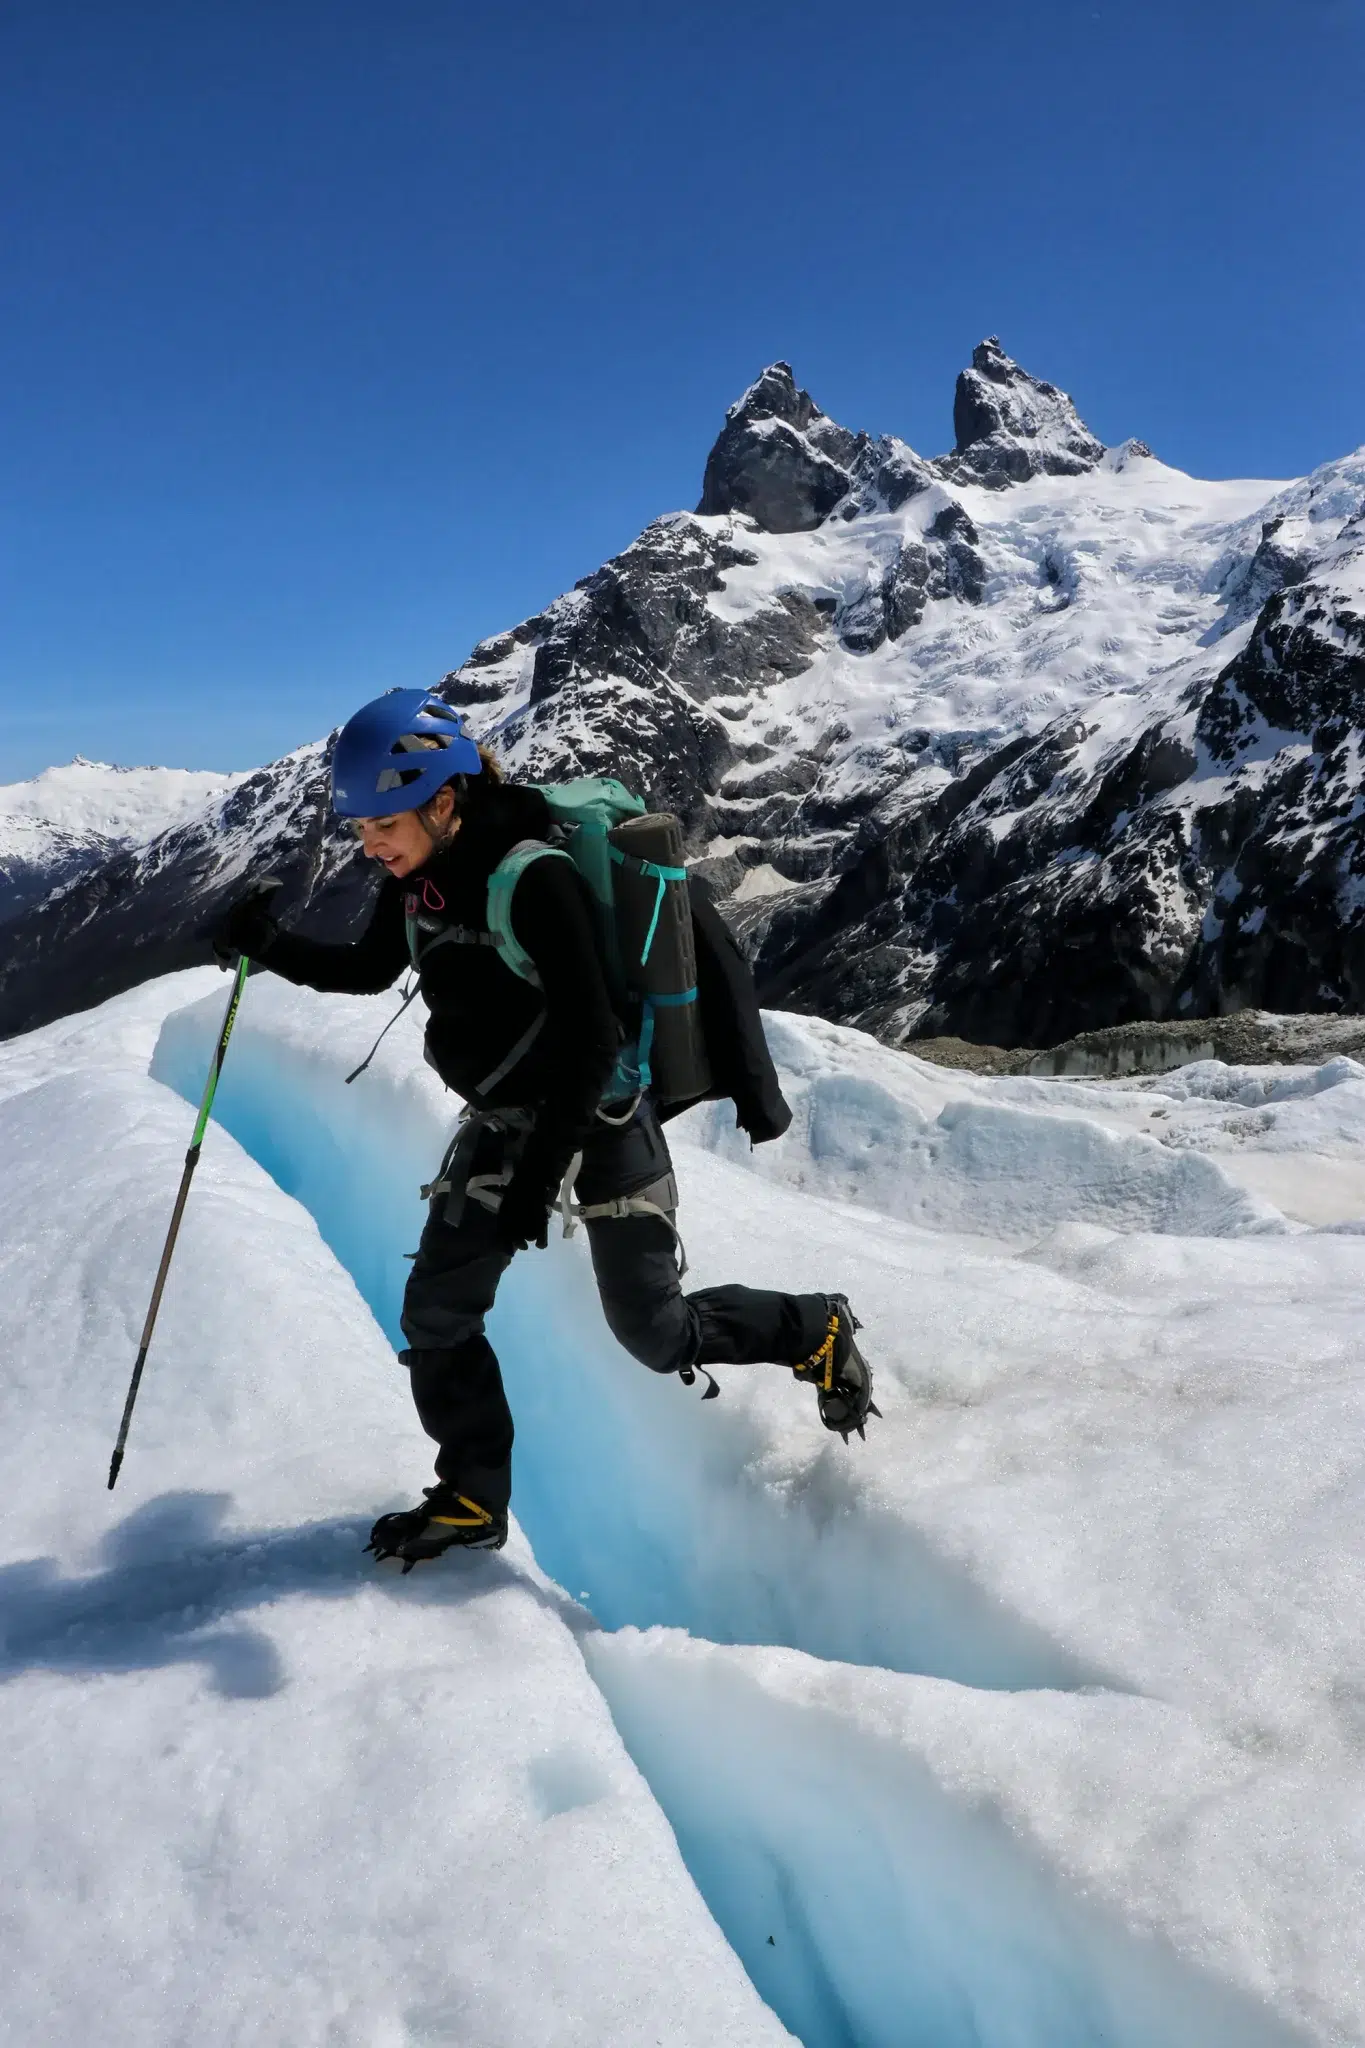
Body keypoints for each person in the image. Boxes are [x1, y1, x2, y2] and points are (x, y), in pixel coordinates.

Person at [214, 689, 877, 1569]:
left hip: (597, 1115)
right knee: (438, 1312)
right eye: (362, 828)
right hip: (503, 1119)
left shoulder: (535, 877)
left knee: (655, 1333)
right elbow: (369, 973)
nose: (367, 845)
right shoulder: (422, 879)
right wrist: (267, 942)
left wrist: (538, 1177)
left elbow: (594, 1037)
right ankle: (470, 1498)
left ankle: (812, 1329)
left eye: (380, 824)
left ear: (442, 800)